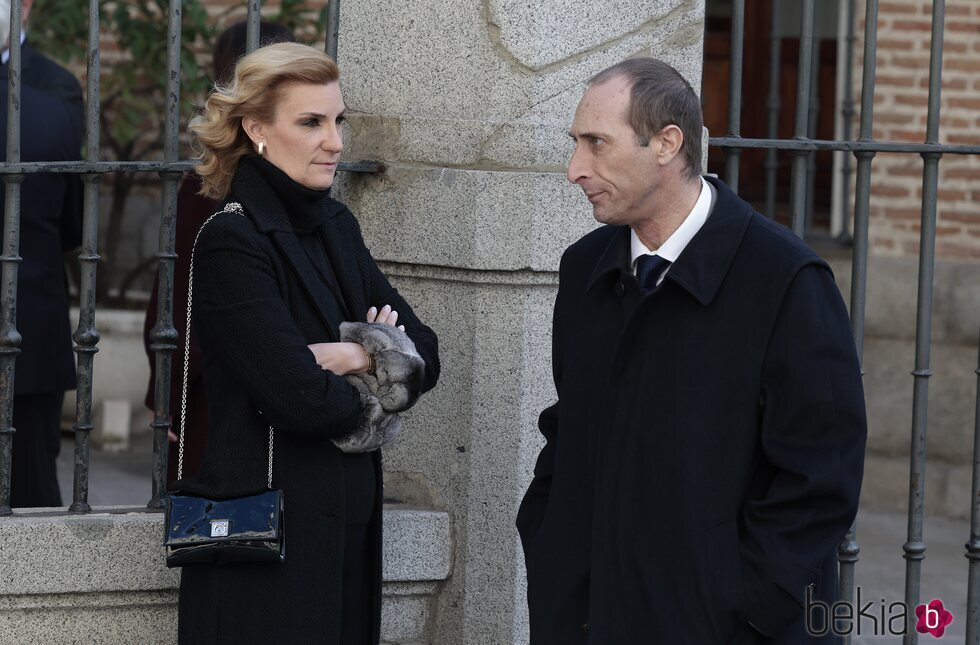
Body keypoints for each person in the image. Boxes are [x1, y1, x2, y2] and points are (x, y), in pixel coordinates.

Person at [517, 58, 867, 644]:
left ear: (667, 144)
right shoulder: (586, 268)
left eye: (597, 144)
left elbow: (820, 479)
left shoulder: (785, 279)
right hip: (584, 618)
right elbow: (571, 427)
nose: (576, 168)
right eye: (576, 143)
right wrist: (550, 546)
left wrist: (743, 607)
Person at [176, 42, 440, 644]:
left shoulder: (335, 226)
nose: (337, 141)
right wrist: (384, 359)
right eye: (312, 122)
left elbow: (427, 352)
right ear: (256, 128)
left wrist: (352, 354)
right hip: (267, 542)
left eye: (337, 120)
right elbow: (304, 400)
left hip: (346, 530)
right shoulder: (233, 241)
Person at [142, 20, 294, 485]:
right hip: (229, 391)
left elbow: (171, 297)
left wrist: (166, 392)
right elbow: (178, 292)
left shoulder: (216, 180)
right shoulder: (212, 182)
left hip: (270, 389)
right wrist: (170, 394)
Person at [1, 0, 83, 507]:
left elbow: (70, 218)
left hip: (29, 319)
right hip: (32, 305)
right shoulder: (51, 103)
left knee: (30, 481)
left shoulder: (56, 88)